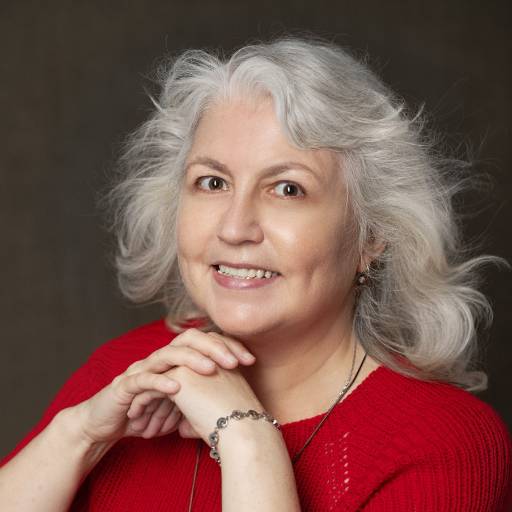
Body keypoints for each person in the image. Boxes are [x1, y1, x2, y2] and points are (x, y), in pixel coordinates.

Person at [0, 35, 511, 511]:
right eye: (212, 182)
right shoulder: (126, 371)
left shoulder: (445, 444)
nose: (235, 227)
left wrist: (249, 441)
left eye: (287, 189)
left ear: (372, 236)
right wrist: (79, 435)